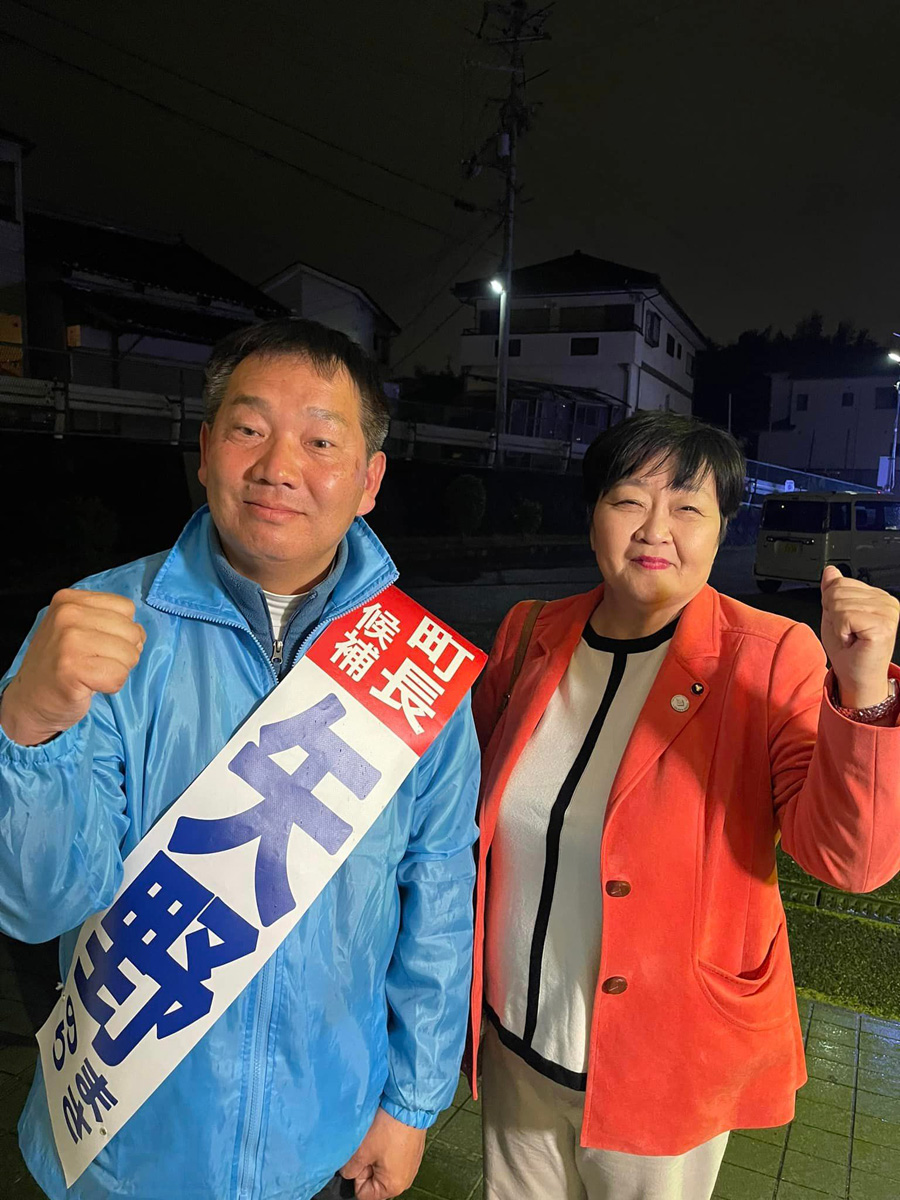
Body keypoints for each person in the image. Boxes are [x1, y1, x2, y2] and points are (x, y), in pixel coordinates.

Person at [0, 318, 481, 1200]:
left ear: (369, 479)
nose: (278, 467)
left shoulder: (411, 665)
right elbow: (35, 908)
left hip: (324, 1145)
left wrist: (412, 1104)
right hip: (121, 1151)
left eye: (321, 441)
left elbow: (441, 901)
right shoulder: (98, 628)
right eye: (249, 429)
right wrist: (24, 728)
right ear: (205, 449)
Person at [469, 410, 900, 1200]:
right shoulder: (530, 632)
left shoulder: (770, 658)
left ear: (723, 529)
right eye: (629, 499)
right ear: (595, 514)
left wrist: (865, 693)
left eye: (689, 507)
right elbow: (468, 804)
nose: (654, 529)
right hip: (514, 1047)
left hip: (667, 1061)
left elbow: (850, 860)